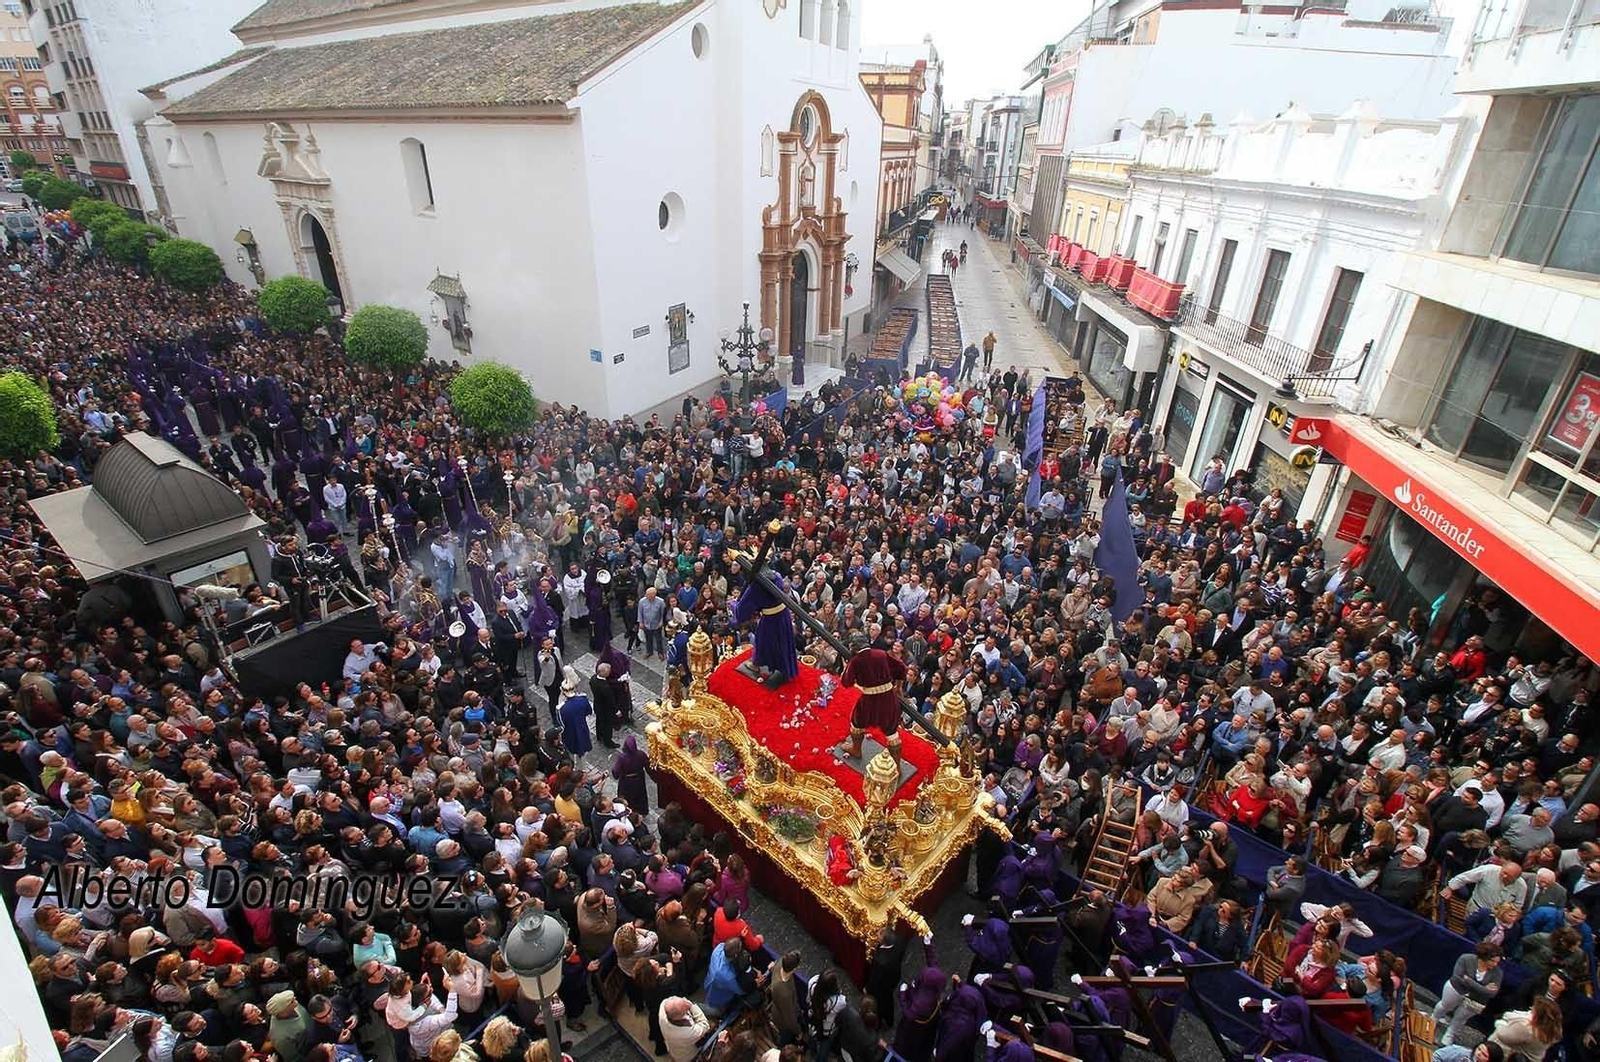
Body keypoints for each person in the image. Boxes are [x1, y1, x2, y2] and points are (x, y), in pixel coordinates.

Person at [1432, 942, 1503, 1047]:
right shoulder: (1466, 959)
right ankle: (1433, 1020)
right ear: (1483, 956)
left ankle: (1450, 1034)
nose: (1495, 964)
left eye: (1498, 962)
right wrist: (1483, 988)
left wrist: (1469, 981)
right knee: (1444, 1006)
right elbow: (1457, 977)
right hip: (1456, 989)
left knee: (1461, 1018)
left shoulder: (1498, 973)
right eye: (1492, 961)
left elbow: (1492, 993)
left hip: (1475, 1000)